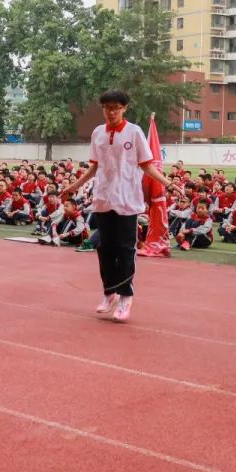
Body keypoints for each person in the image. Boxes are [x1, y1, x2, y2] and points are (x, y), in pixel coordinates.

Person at [63, 90, 177, 323]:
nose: (111, 111)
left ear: (124, 108)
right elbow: (94, 168)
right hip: (104, 198)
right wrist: (74, 186)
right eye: (107, 107)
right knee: (104, 247)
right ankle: (109, 292)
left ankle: (126, 297)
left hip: (127, 200)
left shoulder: (134, 132)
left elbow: (147, 166)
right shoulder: (98, 133)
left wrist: (168, 183)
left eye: (116, 107)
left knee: (126, 249)